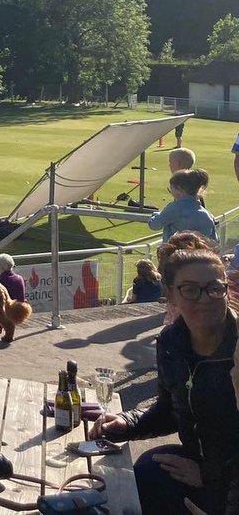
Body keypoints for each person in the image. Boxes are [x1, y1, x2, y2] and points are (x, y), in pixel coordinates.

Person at [89, 244, 239, 513]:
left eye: (215, 288)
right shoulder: (171, 342)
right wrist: (127, 422)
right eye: (190, 289)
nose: (205, 299)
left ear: (226, 290)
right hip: (199, 464)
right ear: (170, 295)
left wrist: (211, 475)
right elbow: (171, 408)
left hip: (228, 479)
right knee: (139, 475)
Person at [149, 169, 216, 242]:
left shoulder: (175, 208)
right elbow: (214, 240)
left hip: (175, 251)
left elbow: (155, 225)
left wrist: (156, 214)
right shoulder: (208, 215)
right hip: (200, 252)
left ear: (179, 188)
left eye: (171, 188)